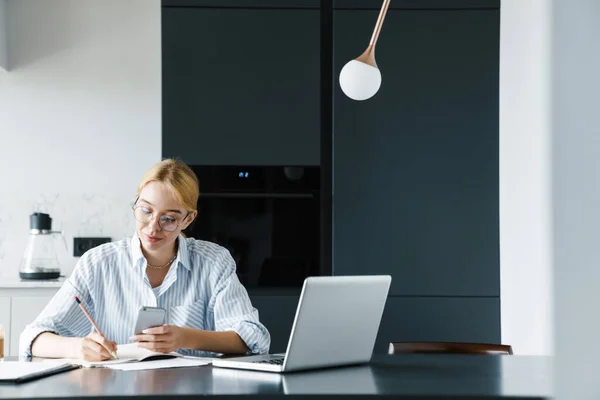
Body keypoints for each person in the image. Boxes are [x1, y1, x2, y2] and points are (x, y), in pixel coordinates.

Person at [19, 159, 271, 361]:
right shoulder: (97, 263)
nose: (153, 227)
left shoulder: (214, 261)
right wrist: (77, 348)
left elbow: (253, 337)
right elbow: (32, 337)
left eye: (169, 218)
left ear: (188, 220)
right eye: (146, 211)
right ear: (136, 203)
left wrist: (185, 338)